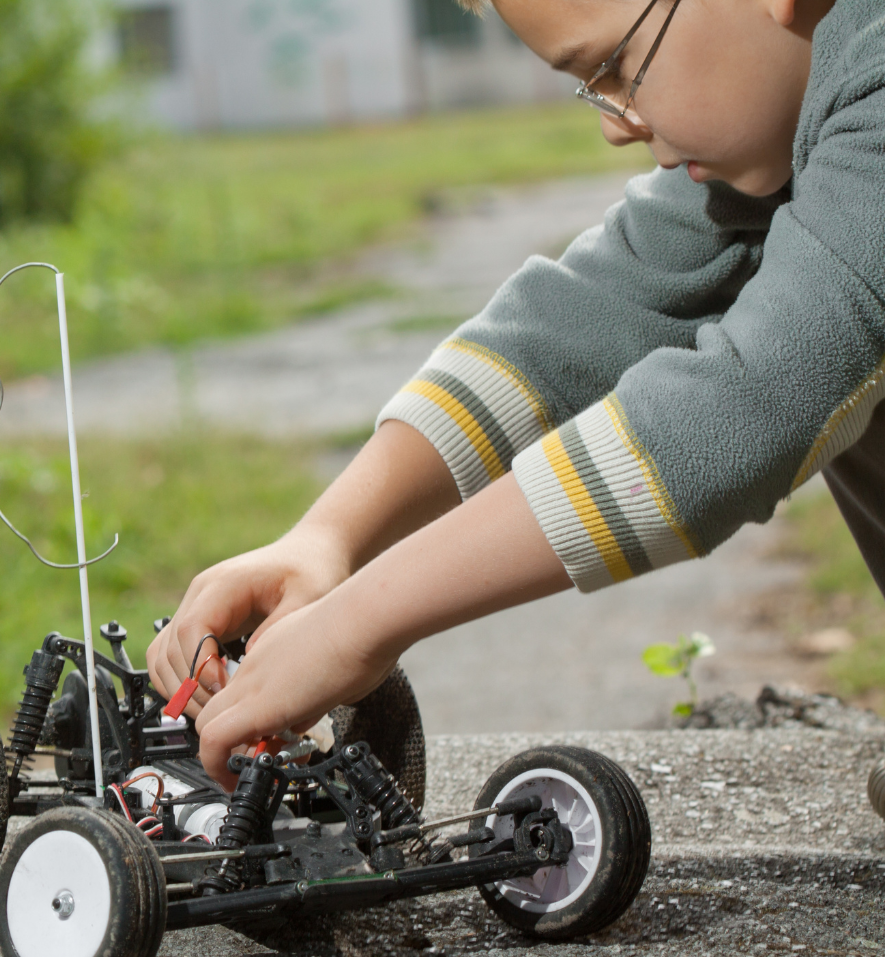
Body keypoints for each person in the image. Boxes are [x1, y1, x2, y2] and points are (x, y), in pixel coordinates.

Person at [148, 0, 885, 788]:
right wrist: (326, 538)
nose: (616, 123)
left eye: (621, 68)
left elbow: (745, 408)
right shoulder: (794, 123)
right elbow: (584, 320)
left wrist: (357, 624)